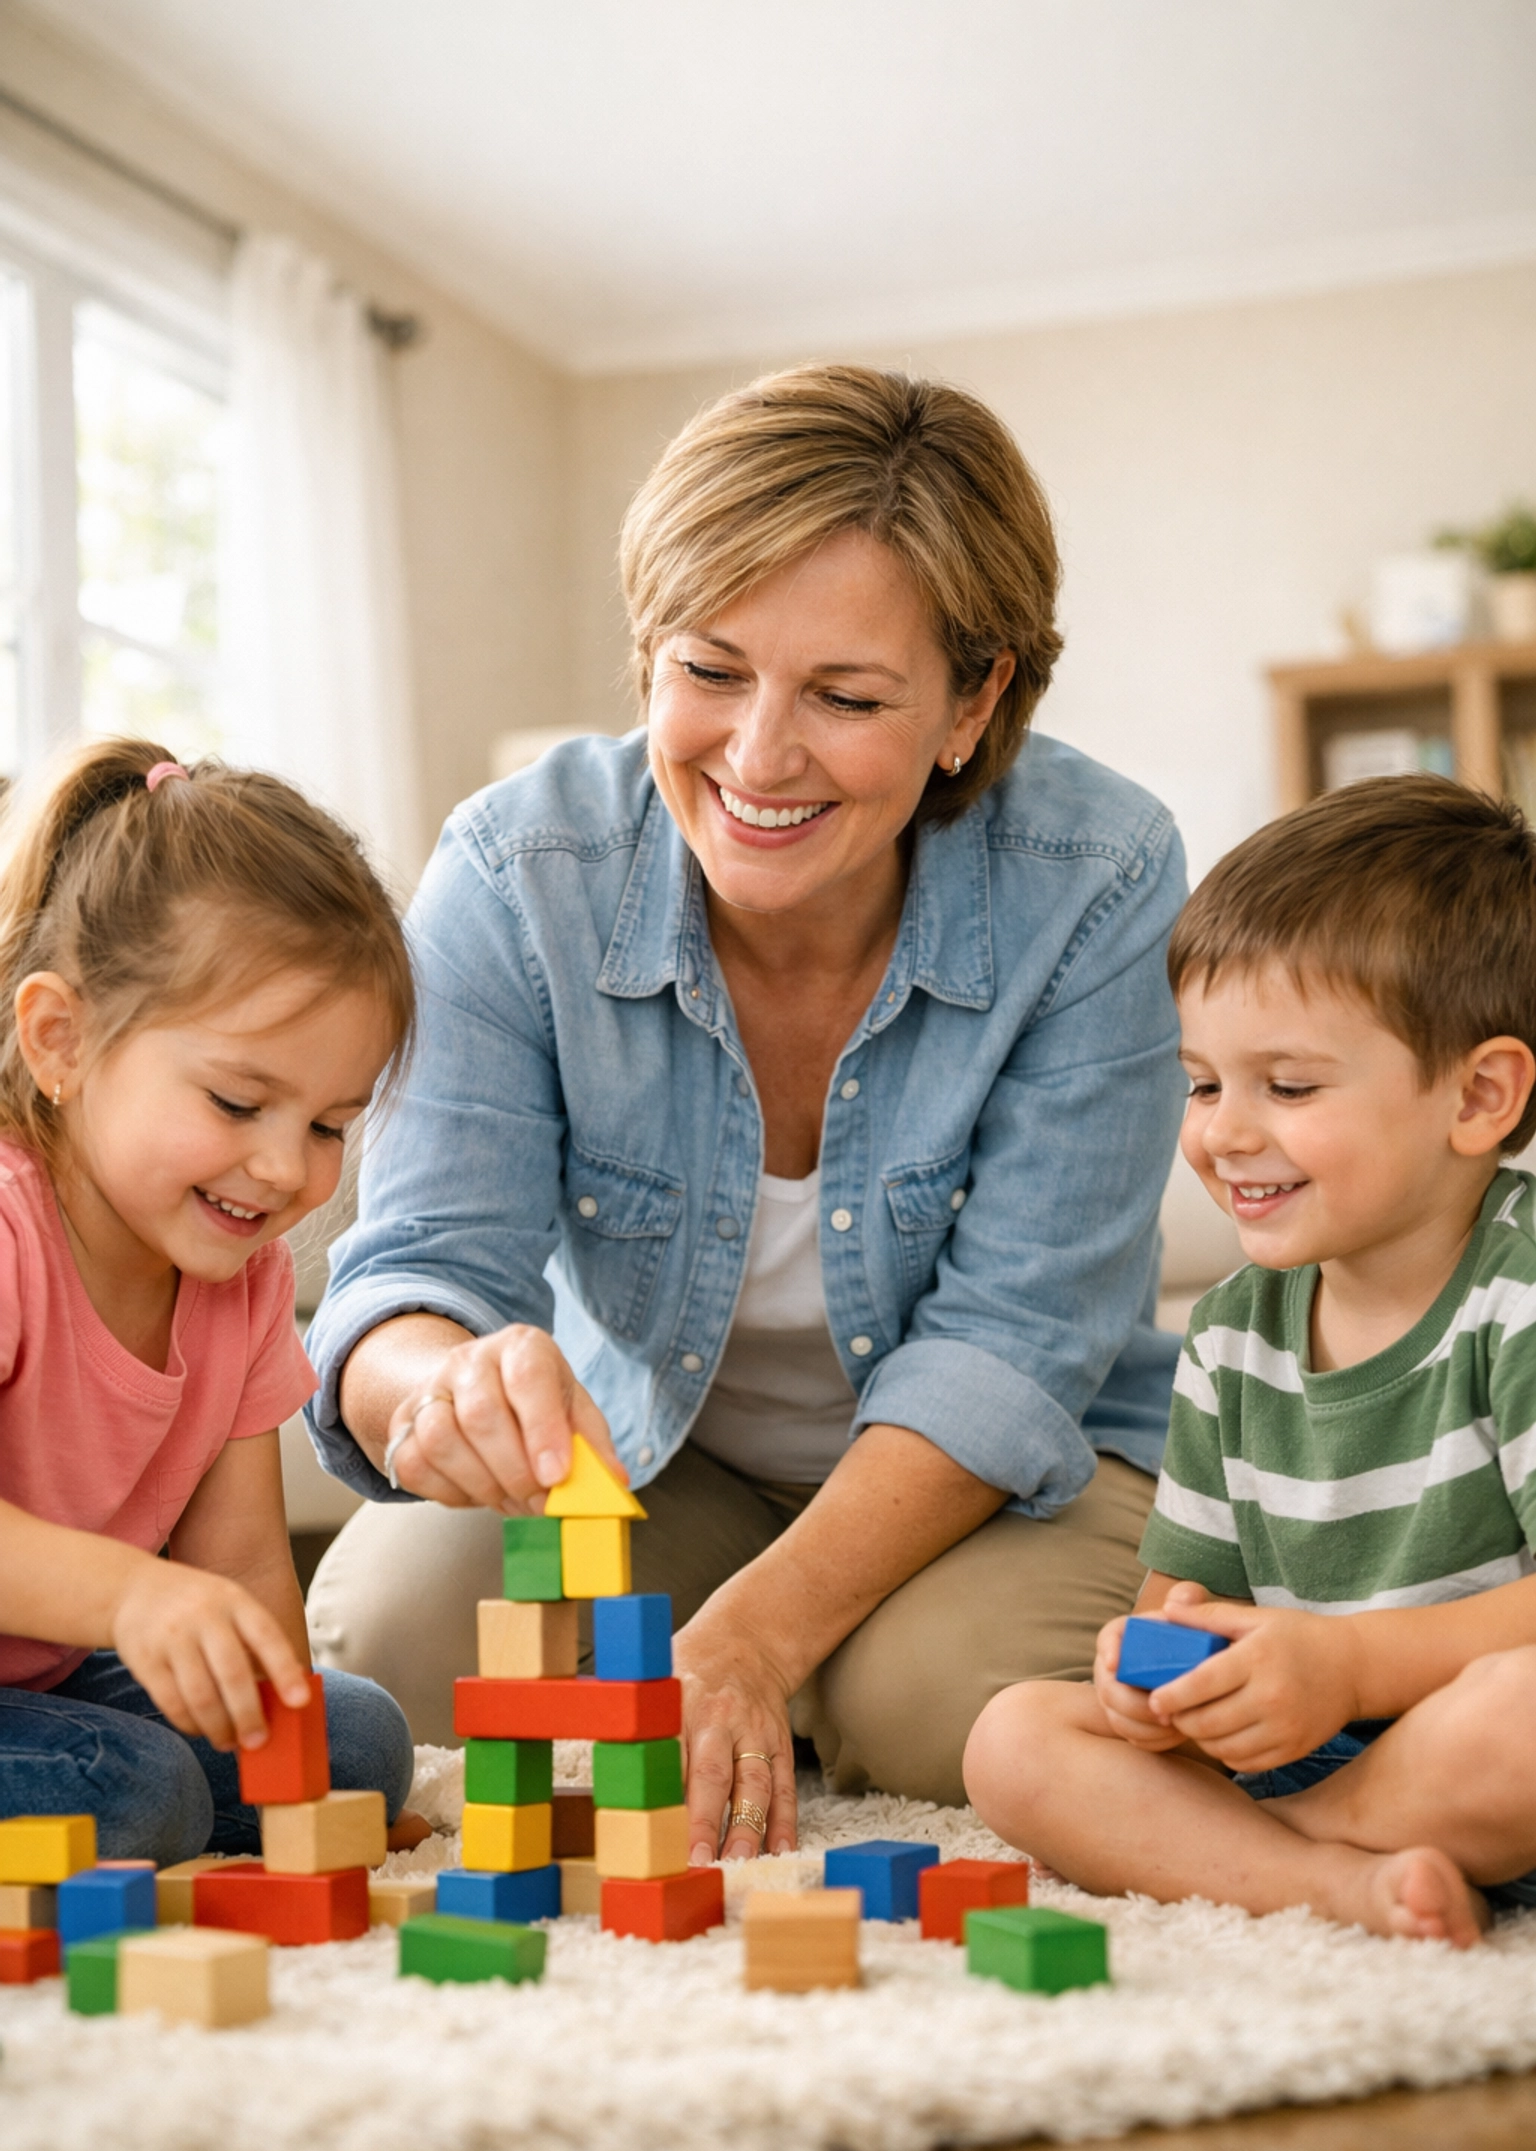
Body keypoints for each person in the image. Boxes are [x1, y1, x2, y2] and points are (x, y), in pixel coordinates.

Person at [303, 363, 1188, 1857]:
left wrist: (755, 1638)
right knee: (404, 1639)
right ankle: (785, 1669)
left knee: (937, 1709)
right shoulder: (518, 872)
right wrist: (436, 1387)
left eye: (846, 698)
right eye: (710, 671)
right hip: (671, 1459)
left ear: (973, 702)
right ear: (649, 650)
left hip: (1005, 1480)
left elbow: (1016, 1343)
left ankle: (822, 1665)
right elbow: (416, 1268)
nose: (759, 757)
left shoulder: (1100, 877)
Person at [965, 776, 1536, 1944]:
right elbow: (1183, 1603)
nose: (1223, 1132)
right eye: (1203, 1083)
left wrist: (1350, 1665)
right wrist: (1154, 1680)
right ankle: (1338, 1886)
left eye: (1288, 1086)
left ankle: (1308, 1838)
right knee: (1014, 1739)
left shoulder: (1517, 1293)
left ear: (1479, 1095)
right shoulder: (1232, 1331)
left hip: (1473, 1740)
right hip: (1300, 1742)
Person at [0, 738, 423, 1864]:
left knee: (354, 1741)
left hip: (42, 1677)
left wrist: (301, 1798)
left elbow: (240, 1566)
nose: (285, 1169)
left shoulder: (240, 1274)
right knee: (134, 1793)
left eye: (329, 1125)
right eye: (238, 1103)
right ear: (60, 1041)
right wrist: (128, 1597)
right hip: (61, 1673)